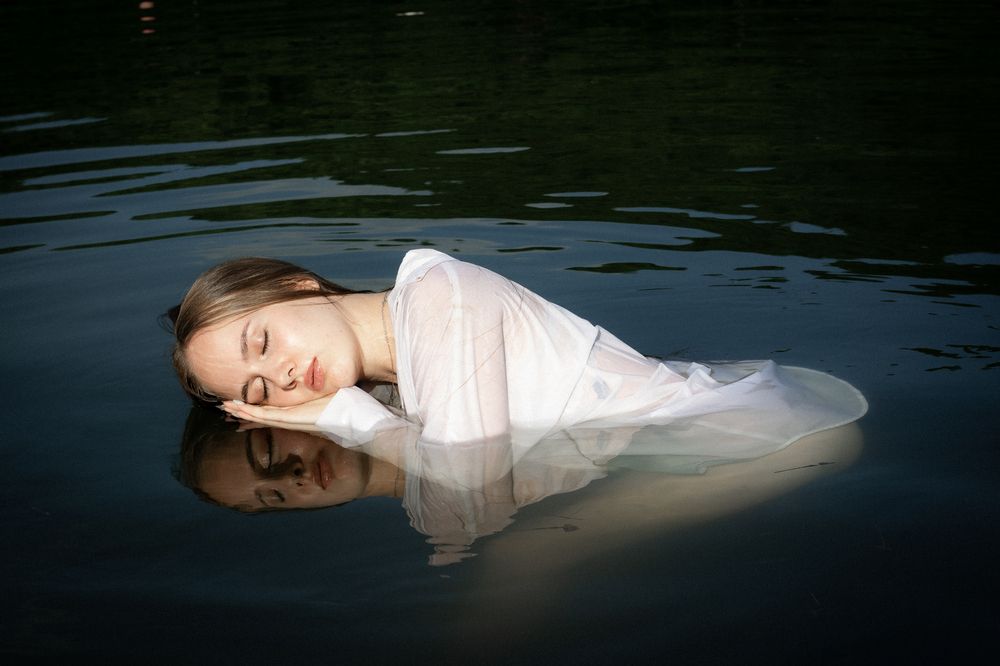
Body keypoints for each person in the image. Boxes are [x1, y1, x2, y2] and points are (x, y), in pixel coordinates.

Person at [170, 249, 867, 451]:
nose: (284, 374)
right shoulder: (395, 379)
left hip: (751, 435)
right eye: (261, 392)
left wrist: (338, 418)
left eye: (262, 341)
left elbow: (466, 486)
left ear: (298, 284)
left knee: (520, 578)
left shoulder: (438, 301)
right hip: (684, 430)